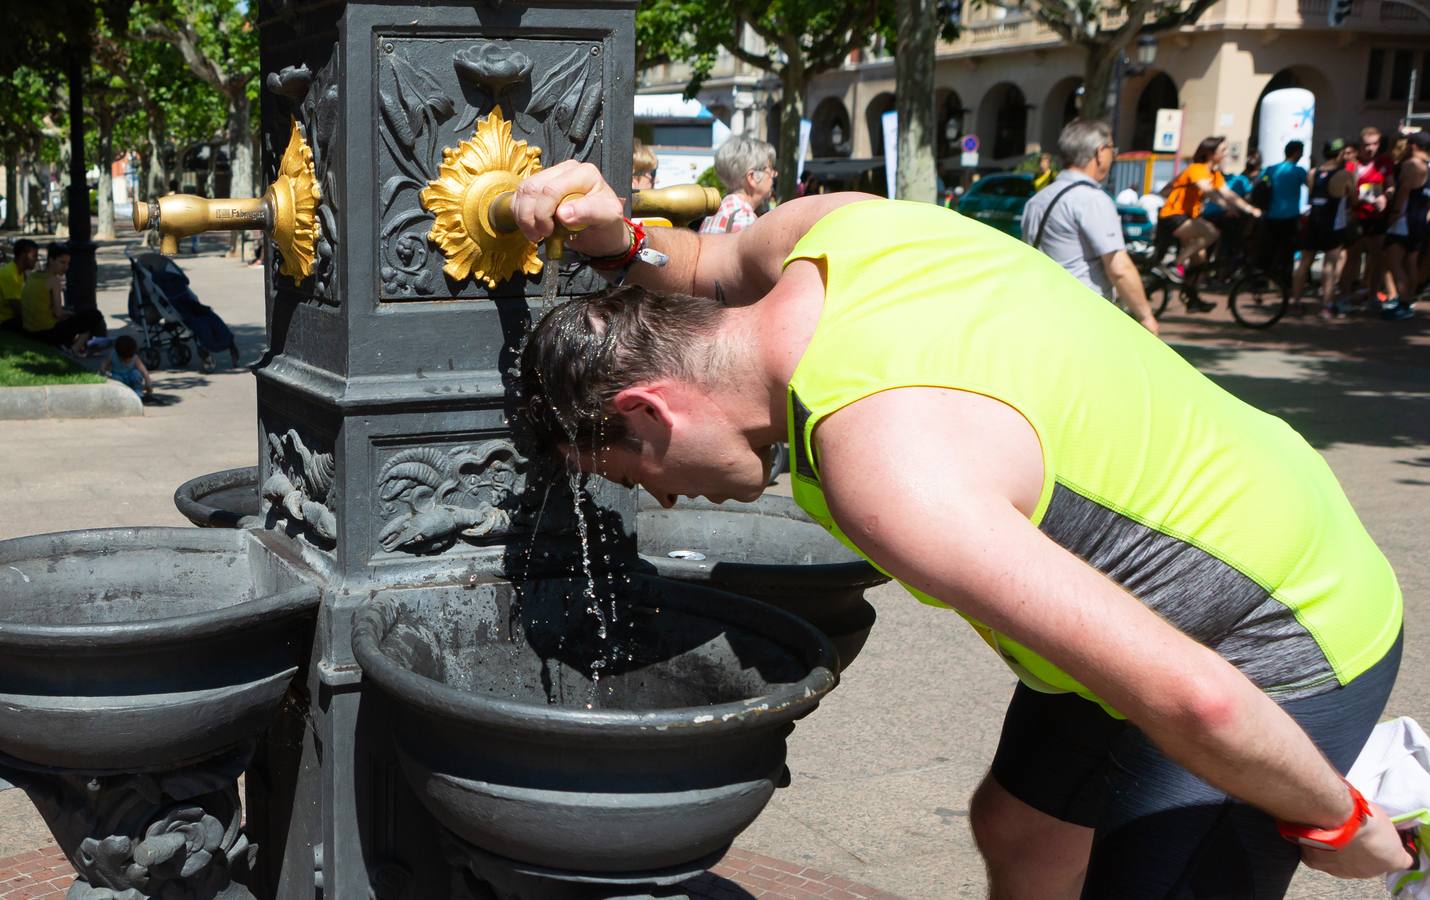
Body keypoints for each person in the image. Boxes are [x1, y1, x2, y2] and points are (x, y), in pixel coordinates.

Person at [508, 160, 1409, 898]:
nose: (662, 502)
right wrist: (622, 240)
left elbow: (1198, 700)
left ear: (649, 413)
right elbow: (705, 268)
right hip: (1234, 514)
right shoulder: (835, 234)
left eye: (634, 476)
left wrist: (1340, 823)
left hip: (1277, 630)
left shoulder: (883, 469)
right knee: (1021, 832)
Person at [1020, 119, 1159, 335]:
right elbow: (1119, 267)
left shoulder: (1038, 199)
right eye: (1112, 149)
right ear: (1099, 152)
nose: (1113, 156)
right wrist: (1146, 317)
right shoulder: (1092, 199)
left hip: (1042, 312)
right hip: (1082, 319)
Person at [1156, 135, 1261, 294]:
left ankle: (1191, 297)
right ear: (1211, 153)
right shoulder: (1197, 169)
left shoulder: (1215, 174)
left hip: (1188, 218)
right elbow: (1208, 190)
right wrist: (1226, 208)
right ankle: (1175, 265)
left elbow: (1228, 193)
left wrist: (1250, 209)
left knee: (1200, 260)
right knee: (1211, 233)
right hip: (1173, 216)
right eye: (1223, 150)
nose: (1226, 153)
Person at [1292, 139, 1356, 319]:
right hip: (1333, 224)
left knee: (1305, 262)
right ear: (1341, 154)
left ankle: (1295, 301)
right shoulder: (1344, 174)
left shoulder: (1313, 173)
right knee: (1330, 264)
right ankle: (1327, 305)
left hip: (1314, 222)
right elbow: (1353, 198)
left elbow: (1313, 193)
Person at [1340, 128, 1396, 307]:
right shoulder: (1351, 165)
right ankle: (1345, 295)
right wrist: (1360, 196)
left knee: (1378, 257)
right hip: (1357, 217)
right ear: (1360, 146)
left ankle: (1372, 295)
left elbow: (1391, 186)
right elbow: (1346, 193)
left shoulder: (1385, 162)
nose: (1371, 148)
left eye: (1375, 144)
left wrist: (1385, 197)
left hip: (1377, 217)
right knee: (1352, 257)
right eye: (1367, 145)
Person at [20, 243, 106, 355]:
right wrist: (70, 314)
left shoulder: (32, 276)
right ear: (51, 260)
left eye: (68, 263)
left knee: (79, 318)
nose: (66, 267)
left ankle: (72, 345)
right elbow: (58, 314)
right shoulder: (54, 281)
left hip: (28, 331)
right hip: (46, 333)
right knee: (94, 315)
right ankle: (73, 350)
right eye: (62, 262)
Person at [1381, 131, 1429, 320]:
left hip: (1404, 220)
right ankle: (1409, 301)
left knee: (1394, 262)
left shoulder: (1412, 165)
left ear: (1414, 146)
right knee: (1410, 263)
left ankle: (1403, 303)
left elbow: (1404, 193)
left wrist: (1393, 216)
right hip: (1419, 219)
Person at [699, 136, 776, 235]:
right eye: (770, 169)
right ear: (752, 177)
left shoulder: (712, 216)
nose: (774, 174)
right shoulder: (745, 219)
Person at [1259, 140, 1308, 282]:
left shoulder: (1270, 169)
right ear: (1297, 152)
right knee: (1288, 251)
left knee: (1270, 249)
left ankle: (1264, 278)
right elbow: (1311, 186)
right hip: (1290, 217)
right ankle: (1285, 281)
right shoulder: (1299, 171)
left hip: (1271, 216)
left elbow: (1260, 186)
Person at [0, 238, 39, 332]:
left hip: (12, 318)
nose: (37, 259)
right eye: (34, 256)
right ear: (23, 255)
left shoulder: (21, 272)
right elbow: (18, 308)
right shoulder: (10, 274)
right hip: (5, 322)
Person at [99, 334, 152, 400]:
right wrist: (105, 372)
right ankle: (120, 393)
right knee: (115, 377)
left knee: (136, 374)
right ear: (118, 354)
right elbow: (103, 365)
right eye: (124, 359)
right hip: (119, 378)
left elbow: (144, 371)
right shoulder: (113, 355)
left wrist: (148, 382)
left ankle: (137, 391)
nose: (127, 360)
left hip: (131, 378)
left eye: (130, 358)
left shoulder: (134, 358)